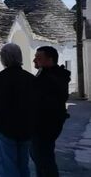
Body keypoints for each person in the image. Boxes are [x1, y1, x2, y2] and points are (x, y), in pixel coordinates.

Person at [0, 43, 35, 177]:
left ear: (3, 59)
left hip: (4, 130)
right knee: (23, 165)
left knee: (7, 167)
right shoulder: (30, 79)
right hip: (25, 130)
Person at [30, 46, 70, 177]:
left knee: (44, 160)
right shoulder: (47, 74)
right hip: (44, 126)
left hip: (46, 126)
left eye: (39, 58)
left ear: (50, 60)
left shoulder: (51, 78)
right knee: (41, 159)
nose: (34, 60)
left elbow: (45, 103)